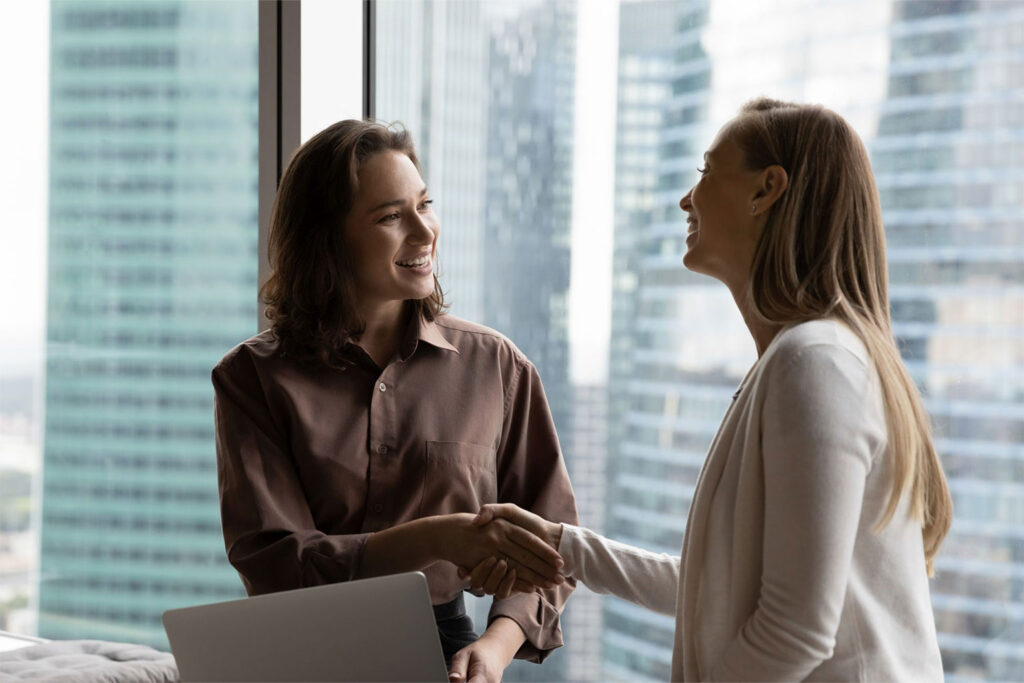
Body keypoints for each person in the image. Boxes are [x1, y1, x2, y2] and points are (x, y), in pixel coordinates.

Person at [463, 98, 953, 681]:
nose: (687, 198)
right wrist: (563, 546)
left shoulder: (815, 361)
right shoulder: (803, 360)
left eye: (706, 172)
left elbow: (796, 630)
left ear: (766, 190)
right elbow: (718, 590)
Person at [211, 119, 578, 682]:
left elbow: (554, 544)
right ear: (326, 239)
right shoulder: (252, 379)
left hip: (448, 654)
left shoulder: (497, 368)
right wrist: (436, 537)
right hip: (299, 654)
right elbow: (276, 562)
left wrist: (497, 645)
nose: (424, 231)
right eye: (390, 216)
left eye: (424, 205)